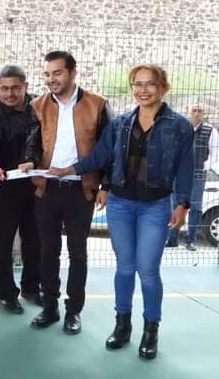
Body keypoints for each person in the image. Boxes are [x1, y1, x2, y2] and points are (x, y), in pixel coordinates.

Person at [49, 64, 194, 360]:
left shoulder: (179, 126)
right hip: (120, 204)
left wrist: (182, 203)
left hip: (156, 206)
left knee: (148, 270)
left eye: (150, 84)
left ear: (163, 87)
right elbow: (101, 156)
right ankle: (122, 325)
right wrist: (69, 170)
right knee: (125, 268)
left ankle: (150, 330)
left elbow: (185, 167)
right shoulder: (121, 123)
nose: (143, 90)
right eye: (137, 84)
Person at [22, 50, 112, 335]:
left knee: (78, 253)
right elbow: (32, 141)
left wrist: (105, 186)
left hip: (81, 190)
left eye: (57, 73)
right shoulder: (37, 105)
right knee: (47, 251)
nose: (51, 79)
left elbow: (107, 149)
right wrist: (29, 160)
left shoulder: (98, 104)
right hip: (46, 188)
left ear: (73, 73)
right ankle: (49, 307)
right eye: (47, 74)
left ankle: (74, 312)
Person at [0, 64, 41, 314]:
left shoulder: (41, 108)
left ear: (25, 86)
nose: (9, 94)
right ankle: (6, 293)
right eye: (4, 88)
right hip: (4, 188)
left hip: (36, 185)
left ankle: (31, 288)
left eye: (15, 88)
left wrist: (35, 162)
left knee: (34, 239)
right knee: (2, 242)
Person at [167, 101, 219, 250]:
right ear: (188, 111)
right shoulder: (179, 128)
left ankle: (190, 240)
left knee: (195, 207)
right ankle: (172, 239)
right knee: (174, 205)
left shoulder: (211, 131)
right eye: (194, 110)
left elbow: (215, 153)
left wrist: (203, 166)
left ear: (203, 113)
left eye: (199, 111)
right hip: (178, 174)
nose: (196, 113)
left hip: (198, 174)